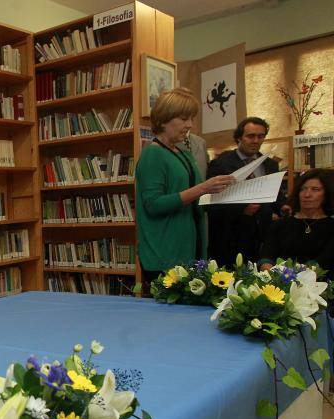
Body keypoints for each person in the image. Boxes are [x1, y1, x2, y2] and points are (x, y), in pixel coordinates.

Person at [135, 88, 235, 282]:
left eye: (191, 118)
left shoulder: (184, 154)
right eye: (183, 118)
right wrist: (203, 188)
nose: (189, 125)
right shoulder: (153, 154)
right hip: (165, 253)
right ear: (164, 119)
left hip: (191, 249)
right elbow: (153, 205)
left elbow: (194, 197)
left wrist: (222, 192)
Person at [207, 117, 283, 266]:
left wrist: (282, 207)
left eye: (260, 136)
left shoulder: (270, 164)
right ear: (239, 138)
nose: (256, 140)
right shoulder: (221, 164)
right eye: (251, 136)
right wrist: (242, 210)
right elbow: (212, 203)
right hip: (231, 237)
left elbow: (276, 196)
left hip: (262, 238)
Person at [260, 169, 334, 271]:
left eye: (315, 189)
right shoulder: (280, 224)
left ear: (327, 194)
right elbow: (266, 257)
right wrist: (272, 274)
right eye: (303, 189)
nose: (307, 194)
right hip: (277, 282)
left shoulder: (331, 226)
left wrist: (297, 277)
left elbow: (325, 261)